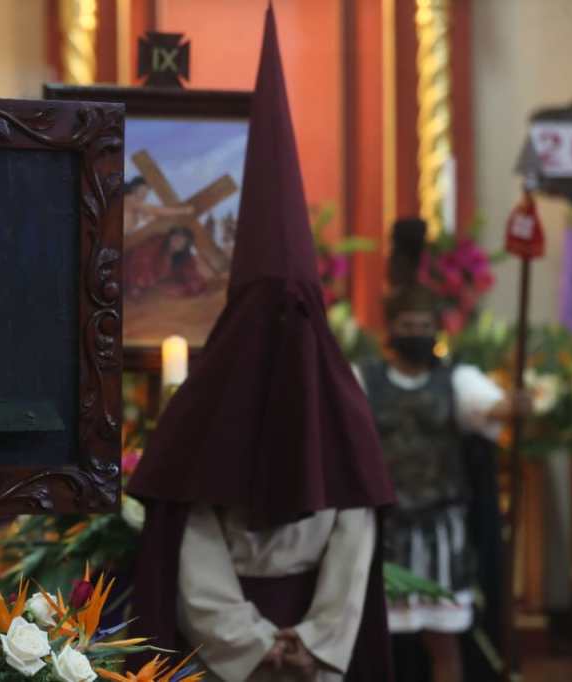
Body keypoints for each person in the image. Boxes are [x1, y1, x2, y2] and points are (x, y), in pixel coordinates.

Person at [128, 8, 396, 681]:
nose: (281, 327)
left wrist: (316, 641)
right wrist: (251, 644)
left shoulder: (342, 405)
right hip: (224, 655)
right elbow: (190, 541)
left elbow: (354, 535)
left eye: (295, 310)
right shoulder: (204, 411)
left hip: (316, 647)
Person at [356, 218, 530, 682]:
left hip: (441, 532)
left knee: (445, 640)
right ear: (391, 328)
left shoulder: (456, 379)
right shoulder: (364, 380)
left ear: (436, 328)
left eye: (424, 324)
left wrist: (517, 405)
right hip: (384, 532)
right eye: (407, 324)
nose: (416, 330)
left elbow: (492, 408)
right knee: (379, 641)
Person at [123, 225, 209, 300]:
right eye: (176, 235)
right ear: (170, 236)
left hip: (152, 286)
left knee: (177, 290)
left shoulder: (184, 257)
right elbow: (141, 260)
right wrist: (137, 284)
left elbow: (191, 273)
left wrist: (200, 289)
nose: (178, 240)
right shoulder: (157, 242)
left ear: (185, 246)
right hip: (129, 275)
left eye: (182, 240)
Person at [123, 176, 195, 235]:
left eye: (146, 193)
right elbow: (156, 210)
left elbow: (151, 216)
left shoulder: (137, 209)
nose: (144, 196)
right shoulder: (129, 199)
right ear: (134, 188)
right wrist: (183, 211)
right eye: (143, 191)